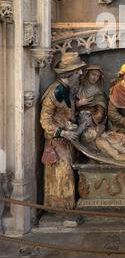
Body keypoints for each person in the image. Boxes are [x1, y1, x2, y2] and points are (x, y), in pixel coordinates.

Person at [40, 52, 86, 209]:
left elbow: (64, 112)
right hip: (56, 142)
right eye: (77, 70)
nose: (80, 73)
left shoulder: (67, 89)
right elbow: (45, 120)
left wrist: (69, 123)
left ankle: (67, 207)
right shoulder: (55, 91)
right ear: (69, 73)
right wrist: (63, 131)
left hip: (67, 141)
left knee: (68, 175)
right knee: (61, 176)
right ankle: (58, 208)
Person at [76, 65, 107, 147]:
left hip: (92, 119)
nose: (95, 78)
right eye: (93, 74)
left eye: (97, 76)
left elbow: (101, 110)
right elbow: (70, 104)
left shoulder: (98, 91)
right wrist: (79, 103)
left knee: (89, 135)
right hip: (77, 116)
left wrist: (93, 118)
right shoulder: (78, 87)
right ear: (87, 74)